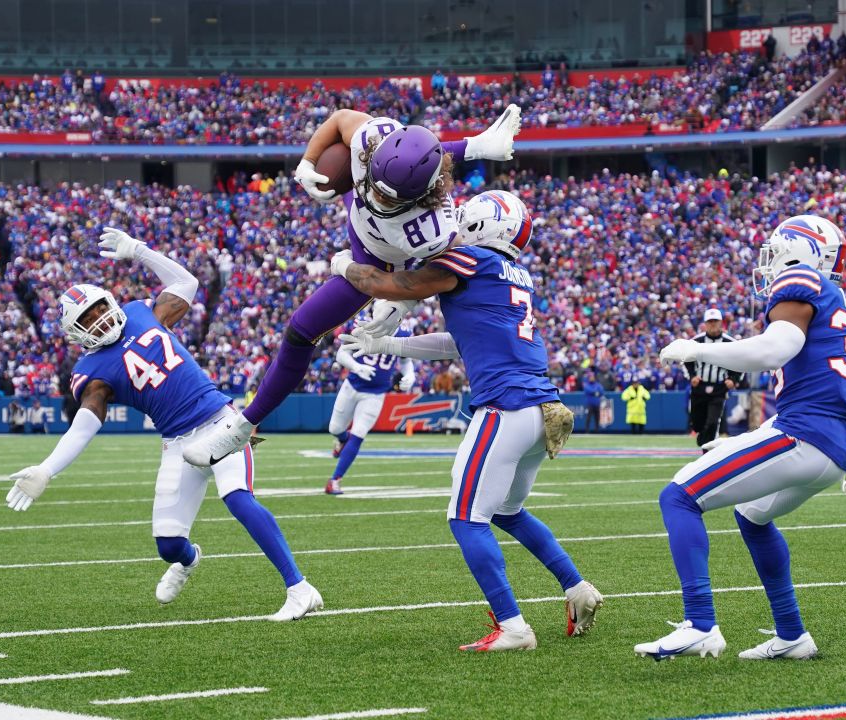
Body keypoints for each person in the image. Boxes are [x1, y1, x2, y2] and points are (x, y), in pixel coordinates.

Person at [4, 226, 322, 620]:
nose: (100, 318)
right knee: (169, 544)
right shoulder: (92, 372)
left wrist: (139, 251)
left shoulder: (142, 312)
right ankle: (188, 561)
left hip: (221, 423)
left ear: (110, 302)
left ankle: (299, 588)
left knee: (237, 497)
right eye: (89, 317)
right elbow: (85, 424)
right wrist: (47, 469)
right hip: (177, 443)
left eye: (100, 307)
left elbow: (185, 281)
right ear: (76, 333)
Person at [332, 189, 603, 651]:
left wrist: (341, 265)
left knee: (466, 517)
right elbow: (460, 341)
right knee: (507, 513)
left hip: (507, 406)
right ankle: (578, 588)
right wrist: (391, 346)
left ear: (484, 222)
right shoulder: (512, 273)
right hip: (544, 409)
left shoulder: (471, 259)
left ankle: (513, 626)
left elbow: (395, 287)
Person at [183, 105, 525, 467]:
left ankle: (241, 428)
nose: (377, 197)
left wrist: (376, 288)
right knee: (336, 180)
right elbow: (340, 119)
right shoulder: (373, 141)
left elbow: (419, 281)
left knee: (301, 331)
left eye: (389, 197)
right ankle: (482, 143)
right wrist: (307, 162)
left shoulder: (434, 230)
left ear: (421, 197)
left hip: (379, 259)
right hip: (363, 222)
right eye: (377, 186)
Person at [636, 214, 846, 662]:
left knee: (678, 497)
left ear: (801, 253)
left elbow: (773, 350)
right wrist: (752, 435)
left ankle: (700, 623)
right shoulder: (843, 305)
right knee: (752, 516)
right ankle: (792, 634)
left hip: (807, 434)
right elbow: (819, 386)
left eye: (776, 251)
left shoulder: (803, 281)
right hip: (836, 443)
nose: (770, 262)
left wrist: (699, 349)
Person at [327, 321, 416, 495]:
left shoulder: (404, 333)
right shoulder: (364, 325)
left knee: (359, 433)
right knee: (335, 428)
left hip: (376, 393)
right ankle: (342, 439)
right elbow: (341, 355)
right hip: (351, 386)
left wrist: (410, 375)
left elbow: (406, 361)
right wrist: (356, 367)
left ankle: (335, 480)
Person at [684, 309, 742, 452]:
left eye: (715, 321)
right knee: (697, 423)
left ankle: (707, 452)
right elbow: (685, 360)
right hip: (699, 386)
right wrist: (692, 376)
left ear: (721, 322)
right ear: (705, 324)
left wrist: (733, 379)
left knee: (713, 421)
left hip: (719, 387)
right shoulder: (695, 342)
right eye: (709, 322)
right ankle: (703, 436)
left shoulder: (730, 342)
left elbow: (741, 361)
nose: (712, 325)